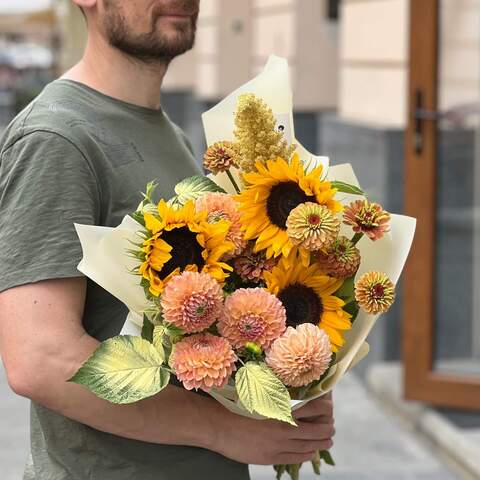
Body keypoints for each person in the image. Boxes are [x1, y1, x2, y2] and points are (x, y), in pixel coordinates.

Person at [0, 1, 335, 479]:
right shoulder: (57, 137)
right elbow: (39, 358)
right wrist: (221, 429)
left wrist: (296, 378)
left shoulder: (169, 133)